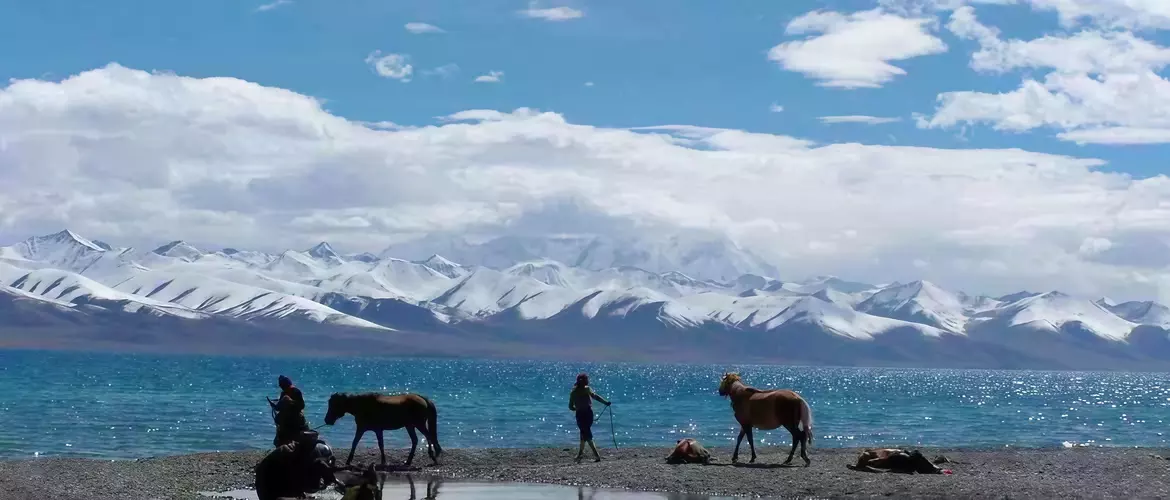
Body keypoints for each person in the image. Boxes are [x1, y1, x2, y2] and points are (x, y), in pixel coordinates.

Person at [568, 372, 610, 463]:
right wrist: (605, 402)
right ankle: (580, 455)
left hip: (580, 415)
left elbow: (570, 407)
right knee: (584, 434)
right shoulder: (587, 389)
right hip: (589, 414)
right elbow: (595, 397)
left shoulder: (573, 393)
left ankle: (596, 455)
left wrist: (577, 407)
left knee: (585, 433)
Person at [269, 375, 310, 448]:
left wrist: (290, 402)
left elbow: (301, 405)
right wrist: (274, 405)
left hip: (295, 417)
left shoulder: (296, 391)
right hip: (287, 417)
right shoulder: (284, 393)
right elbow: (279, 407)